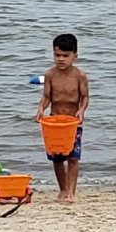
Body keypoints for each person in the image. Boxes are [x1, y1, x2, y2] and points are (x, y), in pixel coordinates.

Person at [35, 34, 89, 203]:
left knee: (73, 158)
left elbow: (85, 97)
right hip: (55, 121)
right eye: (57, 55)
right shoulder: (50, 74)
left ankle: (71, 192)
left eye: (65, 55)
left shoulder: (80, 75)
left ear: (75, 56)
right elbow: (47, 96)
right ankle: (63, 189)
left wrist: (81, 110)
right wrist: (41, 109)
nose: (61, 59)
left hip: (73, 122)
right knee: (57, 158)